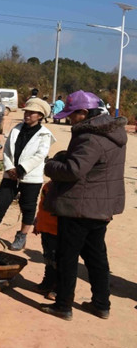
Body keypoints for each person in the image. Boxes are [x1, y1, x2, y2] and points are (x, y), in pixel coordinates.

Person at [40, 90, 127, 321]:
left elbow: (73, 170)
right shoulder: (113, 132)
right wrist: (66, 155)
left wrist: (50, 165)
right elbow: (92, 164)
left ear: (84, 113)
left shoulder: (90, 136)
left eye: (71, 115)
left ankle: (63, 305)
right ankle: (101, 304)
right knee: (96, 257)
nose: (69, 119)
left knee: (67, 257)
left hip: (79, 206)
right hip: (100, 207)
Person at [0, 98, 54, 251]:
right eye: (27, 111)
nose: (27, 115)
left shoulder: (44, 135)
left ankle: (22, 235)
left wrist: (21, 169)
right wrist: (10, 168)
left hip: (31, 178)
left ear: (40, 116)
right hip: (10, 175)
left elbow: (40, 155)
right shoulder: (16, 129)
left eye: (32, 113)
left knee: (28, 207)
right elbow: (7, 150)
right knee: (0, 203)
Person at [33, 182, 59, 299]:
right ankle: (48, 282)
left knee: (58, 261)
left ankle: (58, 288)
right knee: (48, 258)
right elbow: (42, 206)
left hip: (58, 231)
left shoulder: (68, 188)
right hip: (46, 228)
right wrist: (38, 221)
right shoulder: (48, 186)